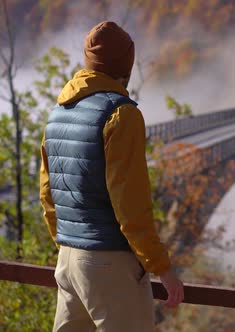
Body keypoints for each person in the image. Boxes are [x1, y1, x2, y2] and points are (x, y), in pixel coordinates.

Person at [39, 21, 184, 332]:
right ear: (126, 68)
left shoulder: (58, 113)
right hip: (110, 262)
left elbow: (47, 194)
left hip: (68, 259)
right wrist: (162, 267)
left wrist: (68, 244)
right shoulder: (121, 115)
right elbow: (130, 205)